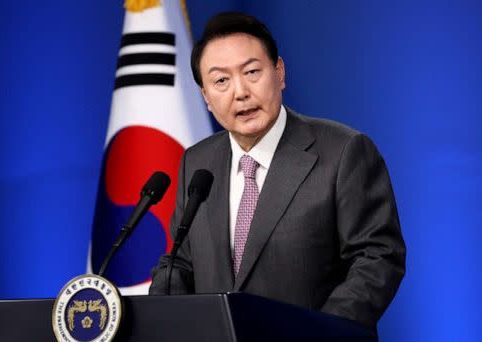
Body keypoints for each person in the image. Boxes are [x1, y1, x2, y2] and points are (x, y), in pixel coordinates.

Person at [149, 12, 406, 330]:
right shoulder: (198, 162)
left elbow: (377, 257)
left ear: (279, 73)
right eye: (221, 81)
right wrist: (161, 321)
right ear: (206, 98)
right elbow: (179, 263)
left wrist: (320, 332)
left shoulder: (343, 151)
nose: (240, 92)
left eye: (252, 72)